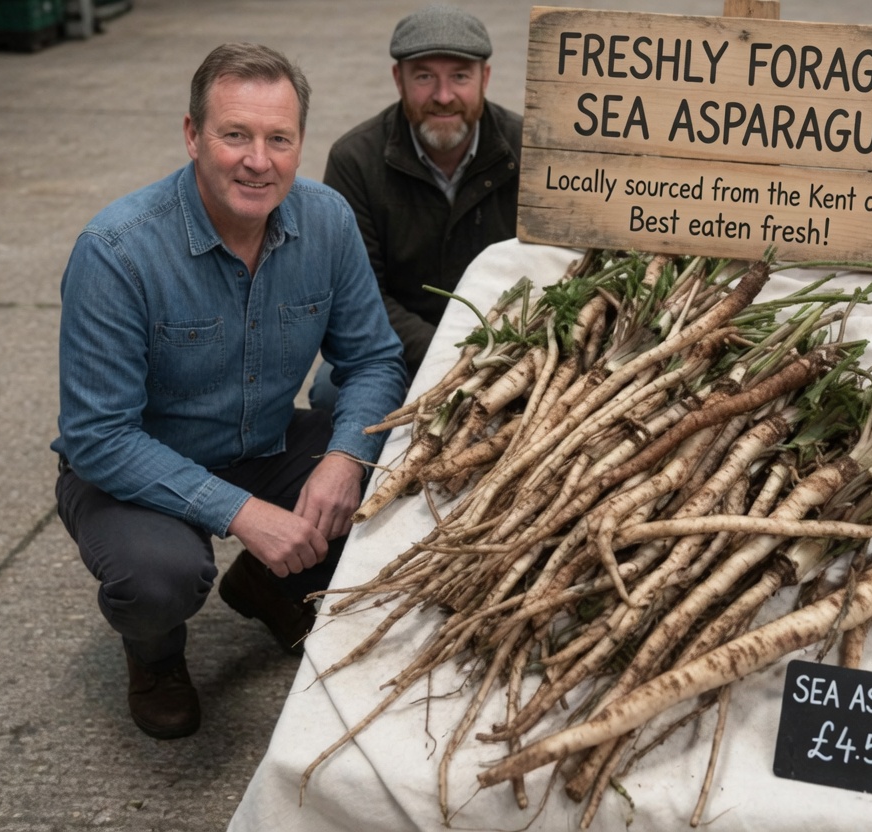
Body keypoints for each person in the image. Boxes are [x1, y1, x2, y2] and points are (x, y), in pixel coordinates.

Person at [52, 42, 409, 740]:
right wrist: (243, 512)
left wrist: (342, 462)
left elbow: (373, 360)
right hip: (132, 468)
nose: (258, 159)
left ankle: (268, 586)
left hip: (262, 441)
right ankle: (154, 656)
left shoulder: (326, 221)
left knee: (401, 467)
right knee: (160, 578)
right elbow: (99, 436)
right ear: (192, 136)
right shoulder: (118, 250)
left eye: (279, 138)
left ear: (300, 143)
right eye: (235, 135)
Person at [310, 2, 523, 407]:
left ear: (485, 78)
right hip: (396, 350)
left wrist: (499, 351)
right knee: (329, 392)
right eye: (424, 77)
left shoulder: (528, 149)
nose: (443, 96)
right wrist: (455, 355)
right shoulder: (355, 160)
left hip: (510, 349)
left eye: (460, 76)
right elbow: (359, 294)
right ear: (399, 79)